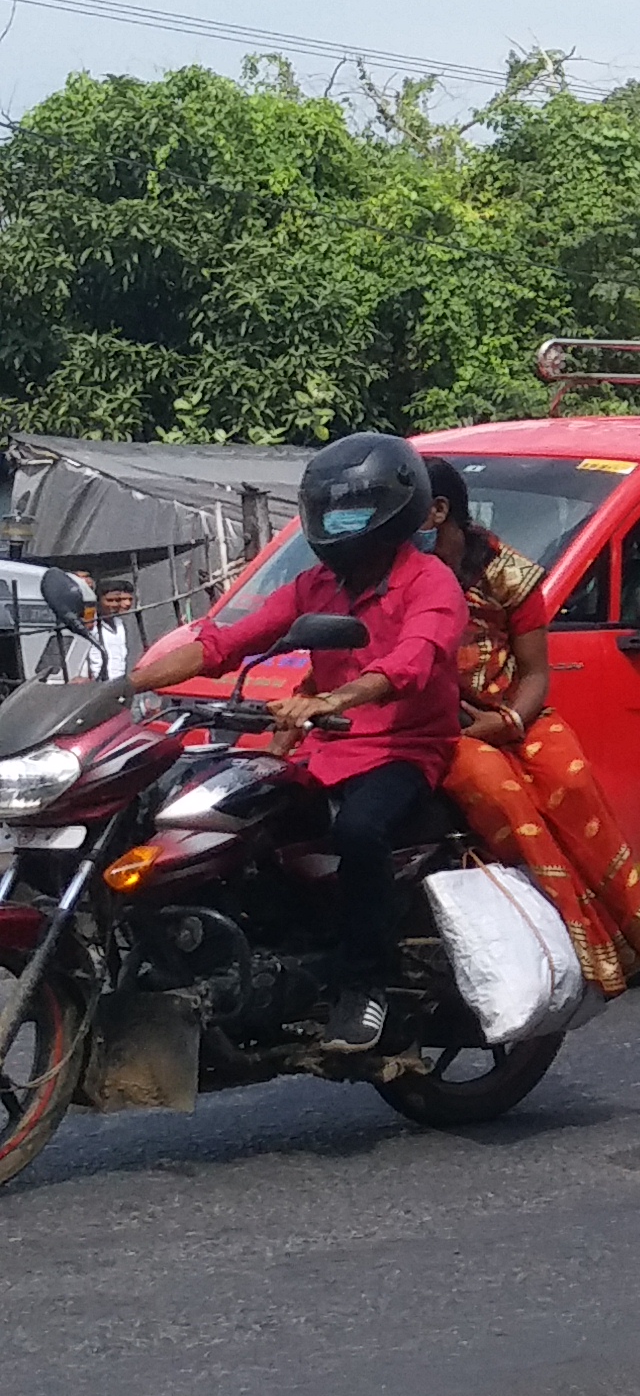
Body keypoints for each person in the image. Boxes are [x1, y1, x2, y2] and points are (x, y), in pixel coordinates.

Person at [124, 435, 470, 1048]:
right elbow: (227, 643)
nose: (342, 521)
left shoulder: (430, 582)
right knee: (218, 813)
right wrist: (122, 685)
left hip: (403, 749)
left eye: (356, 508)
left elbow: (414, 661)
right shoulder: (316, 585)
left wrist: (329, 700)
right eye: (333, 509)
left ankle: (365, 986)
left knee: (360, 831)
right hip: (322, 751)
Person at [425, 463, 640, 992]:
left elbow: (537, 673)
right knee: (502, 795)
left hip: (513, 713)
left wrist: (507, 721)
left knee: (572, 779)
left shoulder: (506, 571)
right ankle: (576, 941)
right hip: (448, 727)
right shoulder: (403, 574)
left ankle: (633, 933)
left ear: (439, 511)